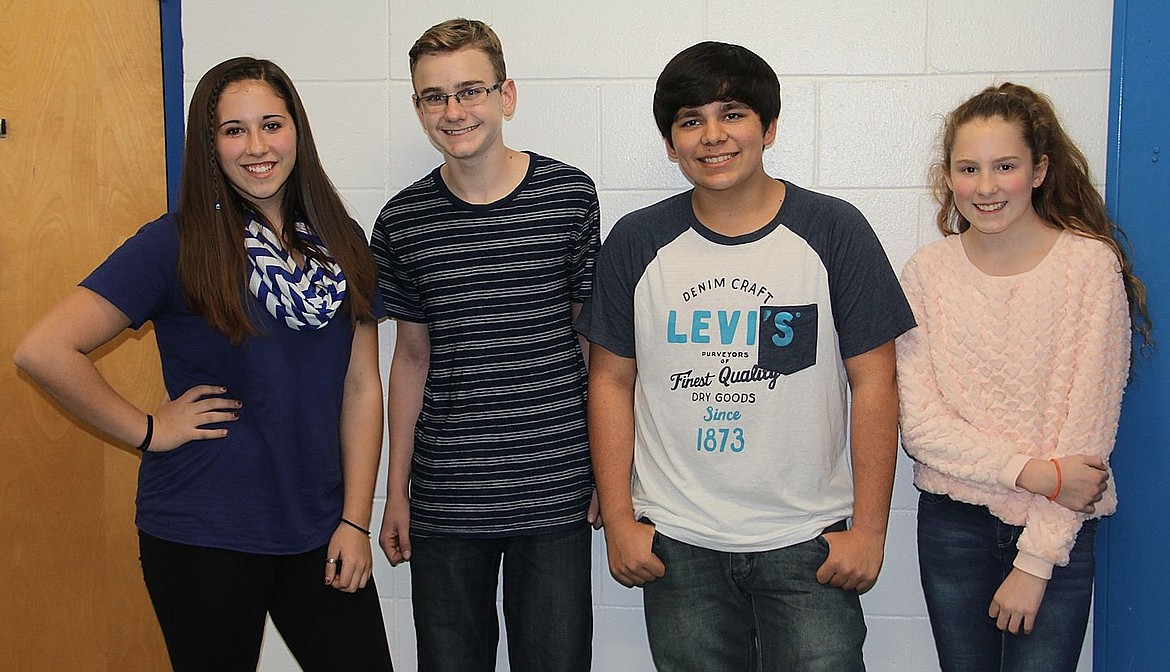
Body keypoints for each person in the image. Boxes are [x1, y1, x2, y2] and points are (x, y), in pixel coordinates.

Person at [13, 57, 394, 671]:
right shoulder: (178, 242)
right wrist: (148, 429)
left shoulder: (341, 239)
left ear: (297, 128)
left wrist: (355, 517)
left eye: (271, 124)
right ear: (209, 144)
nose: (257, 147)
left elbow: (359, 389)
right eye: (233, 130)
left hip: (318, 528)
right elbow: (44, 349)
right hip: (201, 530)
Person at [577, 41, 915, 671]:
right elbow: (610, 381)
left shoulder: (834, 229)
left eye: (732, 113)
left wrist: (870, 529)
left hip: (808, 540)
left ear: (769, 127)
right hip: (678, 541)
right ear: (670, 142)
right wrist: (620, 518)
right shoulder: (638, 240)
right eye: (690, 120)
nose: (713, 135)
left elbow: (875, 382)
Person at [896, 82, 1152, 671]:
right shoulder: (926, 273)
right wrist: (1031, 472)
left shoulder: (1089, 266)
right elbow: (922, 428)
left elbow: (1084, 450)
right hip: (952, 526)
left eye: (1004, 166)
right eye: (969, 169)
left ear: (1038, 170)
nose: (985, 187)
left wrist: (1035, 563)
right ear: (949, 176)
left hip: (1054, 532)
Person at [370, 18, 600, 671]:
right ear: (418, 108)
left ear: (507, 95)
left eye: (470, 90)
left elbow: (596, 347)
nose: (453, 110)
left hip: (554, 487)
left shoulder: (569, 197)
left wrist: (609, 470)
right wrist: (396, 491)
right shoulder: (402, 222)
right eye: (433, 96)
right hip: (446, 499)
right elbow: (410, 359)